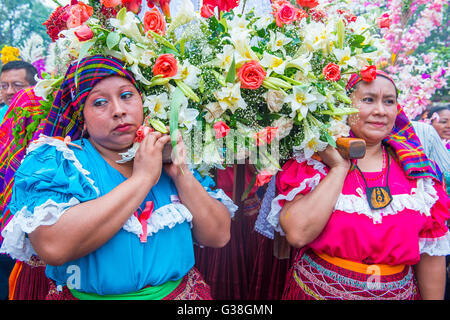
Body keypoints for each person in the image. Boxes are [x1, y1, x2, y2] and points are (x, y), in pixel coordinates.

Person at [0, 55, 234, 300]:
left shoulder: (163, 154)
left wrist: (180, 172)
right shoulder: (58, 161)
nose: (119, 110)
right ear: (82, 116)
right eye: (100, 103)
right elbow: (53, 247)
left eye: (126, 96)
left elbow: (217, 236)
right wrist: (142, 179)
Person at [262, 70, 450, 300]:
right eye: (368, 100)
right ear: (343, 106)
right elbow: (297, 234)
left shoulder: (419, 173)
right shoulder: (313, 164)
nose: (380, 111)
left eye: (389, 101)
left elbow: (431, 256)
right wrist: (339, 169)